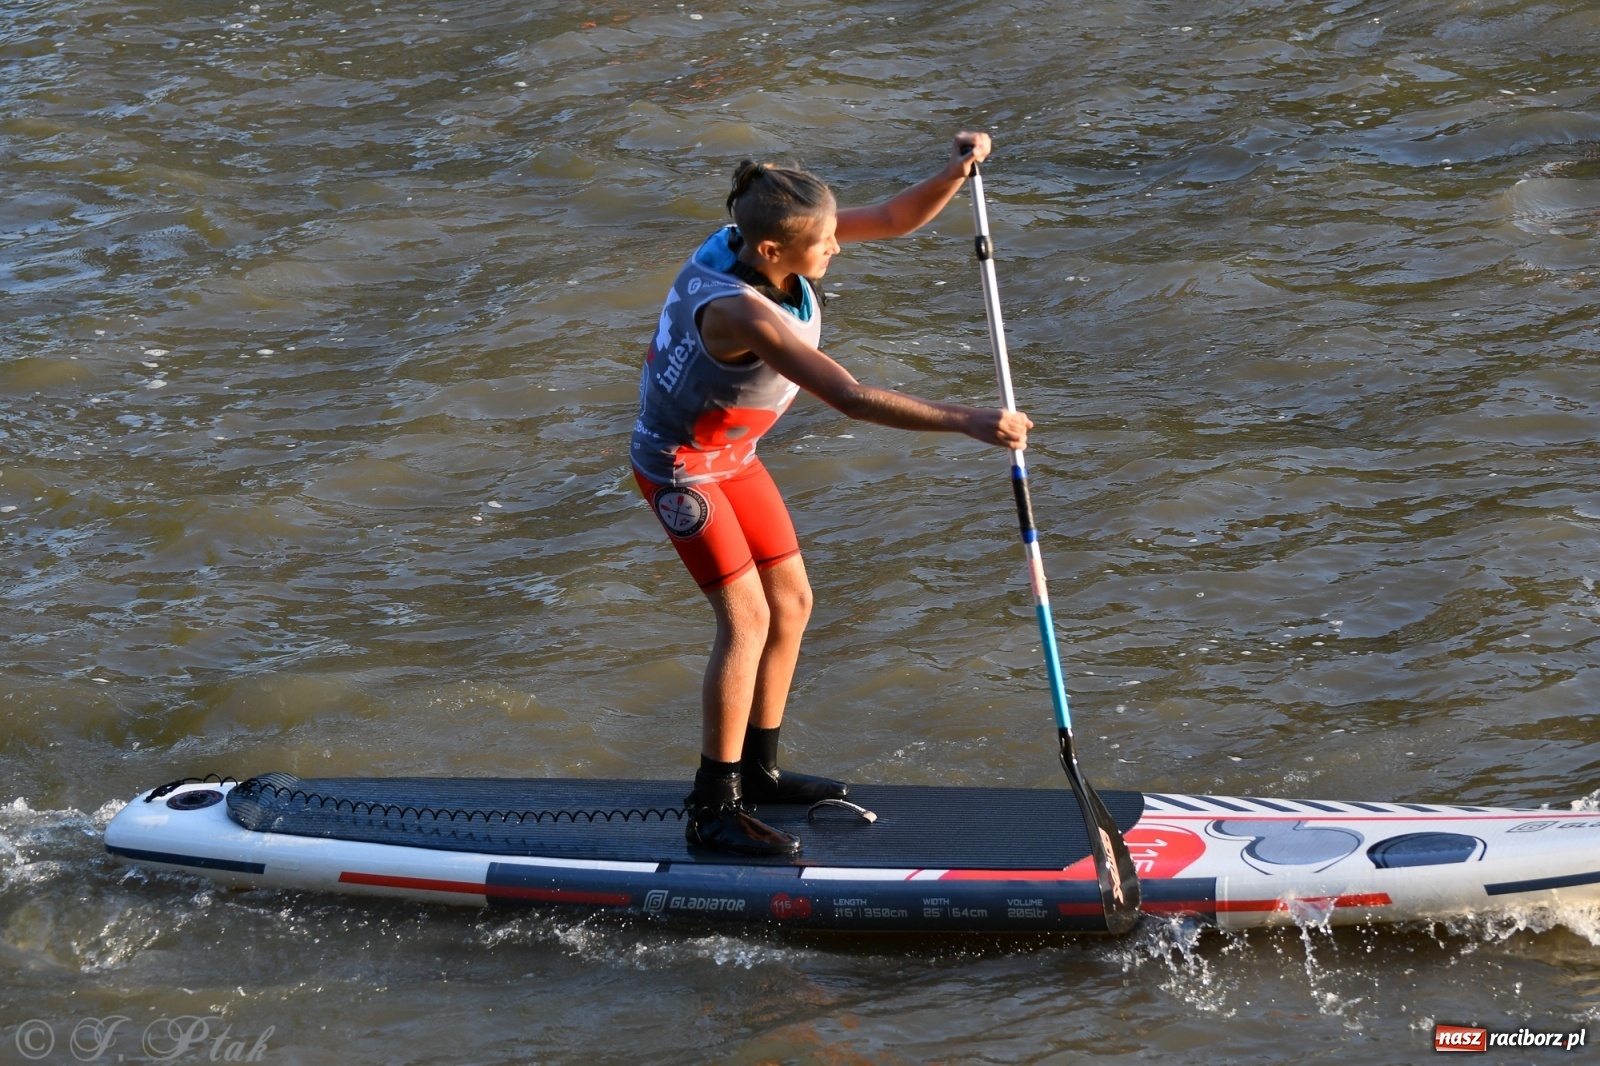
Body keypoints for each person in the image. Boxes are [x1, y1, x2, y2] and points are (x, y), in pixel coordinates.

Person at [630, 132, 1032, 857]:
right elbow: (847, 397)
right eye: (823, 243)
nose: (836, 249)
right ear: (773, 253)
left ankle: (759, 770)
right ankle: (712, 805)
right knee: (746, 620)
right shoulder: (744, 315)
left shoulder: (764, 234)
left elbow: (895, 218)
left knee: (795, 603)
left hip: (735, 456)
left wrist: (953, 171)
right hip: (681, 467)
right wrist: (970, 421)